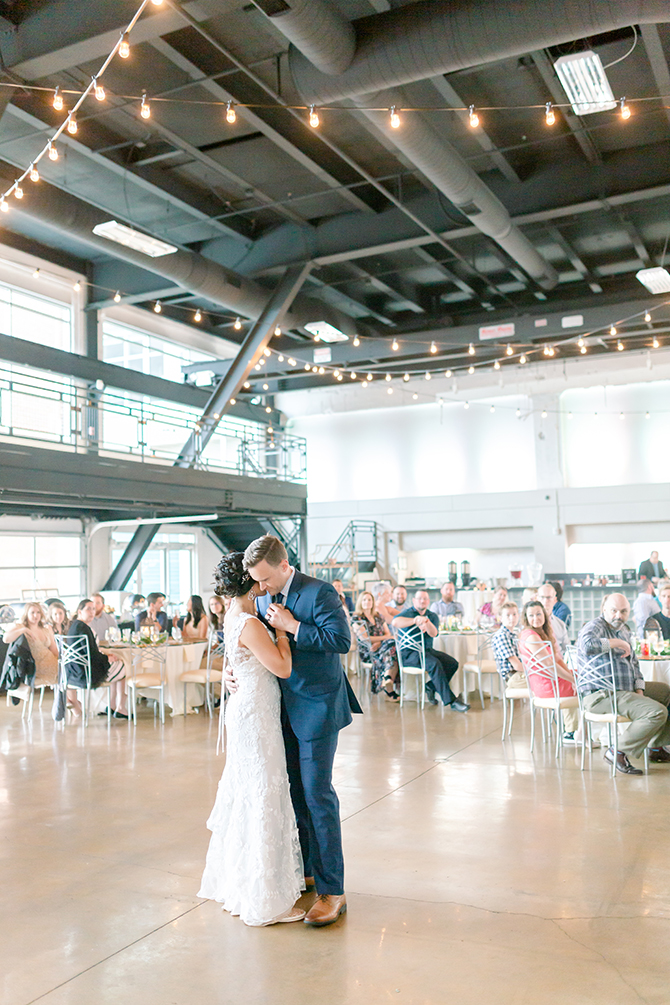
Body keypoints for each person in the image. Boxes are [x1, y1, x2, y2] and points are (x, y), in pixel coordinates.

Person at [237, 534, 359, 927]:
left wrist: (294, 625)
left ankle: (332, 890)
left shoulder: (319, 593)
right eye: (256, 581)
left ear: (285, 566)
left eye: (266, 579)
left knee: (317, 794)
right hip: (277, 707)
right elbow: (253, 641)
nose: (261, 588)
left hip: (318, 706)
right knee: (293, 792)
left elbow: (340, 641)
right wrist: (231, 671)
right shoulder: (258, 594)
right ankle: (307, 868)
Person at [198, 552, 305, 927]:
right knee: (263, 794)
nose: (264, 585)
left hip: (245, 711)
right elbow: (282, 667)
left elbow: (238, 659)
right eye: (257, 581)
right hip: (255, 716)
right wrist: (281, 632)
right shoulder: (252, 624)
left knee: (249, 793)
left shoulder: (231, 617)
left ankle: (241, 885)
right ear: (249, 585)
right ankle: (264, 897)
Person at [577, 593, 670, 772]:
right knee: (657, 712)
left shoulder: (625, 630)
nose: (618, 615)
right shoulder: (596, 626)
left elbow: (634, 664)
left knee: (666, 691)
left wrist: (639, 689)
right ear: (604, 609)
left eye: (623, 611)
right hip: (601, 694)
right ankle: (617, 751)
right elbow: (586, 645)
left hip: (623, 690)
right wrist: (616, 642)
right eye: (614, 611)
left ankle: (656, 747)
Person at [393, 590, 469, 712]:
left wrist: (426, 622)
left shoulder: (432, 616)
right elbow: (395, 622)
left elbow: (434, 634)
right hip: (409, 653)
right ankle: (452, 702)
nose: (422, 601)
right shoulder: (407, 613)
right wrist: (415, 620)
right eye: (419, 598)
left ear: (428, 601)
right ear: (414, 601)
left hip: (427, 651)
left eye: (425, 599)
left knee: (452, 663)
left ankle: (430, 687)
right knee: (434, 664)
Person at [518, 600, 579, 743]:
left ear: (545, 615)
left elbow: (558, 659)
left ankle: (574, 730)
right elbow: (550, 665)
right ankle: (574, 732)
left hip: (550, 679)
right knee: (586, 684)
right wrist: (573, 680)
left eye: (539, 614)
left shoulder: (542, 633)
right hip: (545, 684)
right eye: (531, 615)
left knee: (581, 677)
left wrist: (572, 675)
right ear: (526, 618)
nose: (536, 618)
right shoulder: (531, 636)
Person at [65, 599, 128, 718]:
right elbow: (92, 654)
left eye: (93, 609)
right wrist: (107, 658)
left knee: (116, 666)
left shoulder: (76, 626)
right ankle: (120, 707)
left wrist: (105, 657)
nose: (92, 612)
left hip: (72, 671)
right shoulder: (83, 628)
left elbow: (88, 652)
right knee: (121, 666)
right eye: (88, 609)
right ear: (80, 611)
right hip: (85, 673)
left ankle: (113, 705)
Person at [3, 602, 59, 701]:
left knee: (71, 670)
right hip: (35, 667)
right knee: (69, 676)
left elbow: (53, 648)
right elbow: (6, 639)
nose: (35, 615)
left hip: (51, 662)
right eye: (32, 612)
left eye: (38, 612)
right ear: (26, 614)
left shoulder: (46, 628)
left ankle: (70, 704)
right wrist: (24, 630)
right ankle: (73, 705)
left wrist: (61, 659)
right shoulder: (20, 627)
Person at [350, 591, 399, 700]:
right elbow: (365, 638)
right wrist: (383, 640)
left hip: (382, 647)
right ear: (360, 602)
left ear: (373, 602)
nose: (367, 602)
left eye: (369, 600)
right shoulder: (356, 618)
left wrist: (380, 642)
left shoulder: (378, 616)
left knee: (392, 647)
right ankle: (388, 682)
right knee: (391, 646)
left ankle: (388, 680)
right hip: (368, 650)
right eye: (364, 600)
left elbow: (388, 633)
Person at [491, 602, 525, 686]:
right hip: (513, 676)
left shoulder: (515, 634)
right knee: (545, 681)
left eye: (514, 614)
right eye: (508, 615)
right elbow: (516, 666)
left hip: (520, 673)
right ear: (501, 618)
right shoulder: (502, 636)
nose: (512, 618)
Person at [537, 583, 570, 655]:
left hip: (560, 661)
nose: (545, 601)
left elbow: (568, 649)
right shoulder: (533, 623)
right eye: (542, 597)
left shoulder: (560, 624)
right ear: (537, 598)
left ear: (555, 600)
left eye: (549, 597)